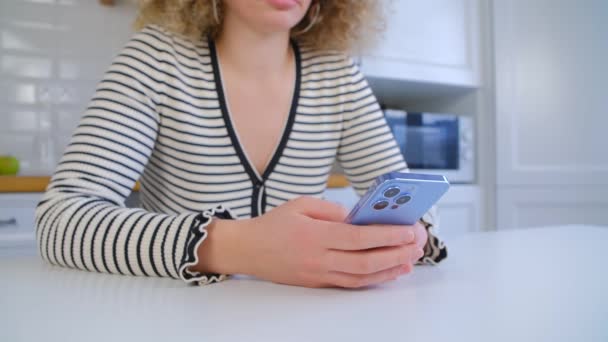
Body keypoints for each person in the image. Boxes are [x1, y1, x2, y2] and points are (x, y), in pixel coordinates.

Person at [35, 0, 447, 288]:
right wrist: (241, 248)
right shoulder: (156, 59)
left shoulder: (336, 74)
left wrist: (406, 238)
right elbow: (61, 222)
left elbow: (412, 203)